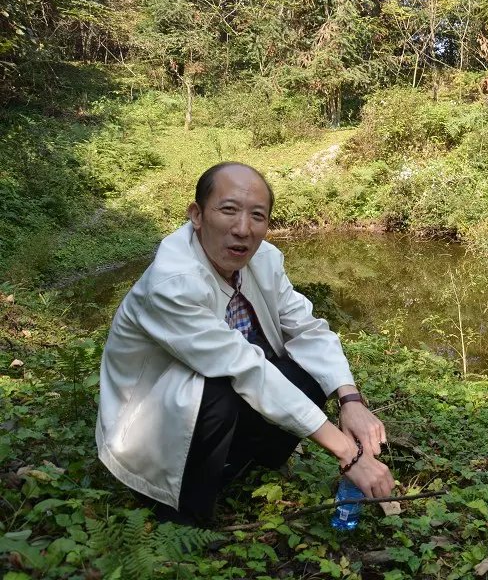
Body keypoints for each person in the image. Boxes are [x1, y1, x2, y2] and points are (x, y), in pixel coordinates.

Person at [96, 162, 394, 525]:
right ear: (197, 215)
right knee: (216, 392)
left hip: (219, 393)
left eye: (257, 216)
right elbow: (245, 368)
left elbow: (307, 329)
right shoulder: (172, 283)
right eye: (228, 210)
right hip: (150, 422)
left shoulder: (264, 259)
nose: (242, 229)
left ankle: (248, 462)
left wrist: (350, 400)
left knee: (312, 372)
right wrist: (349, 452)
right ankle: (183, 514)